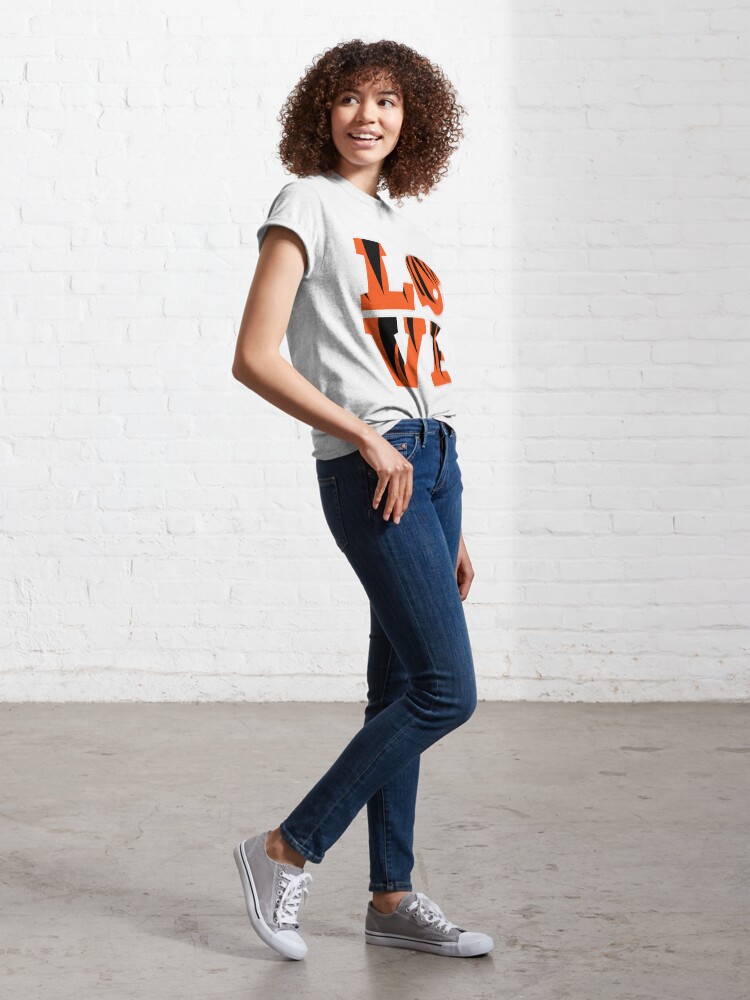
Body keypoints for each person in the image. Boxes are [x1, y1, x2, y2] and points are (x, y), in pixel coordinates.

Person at [231, 38, 492, 962]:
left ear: (412, 119)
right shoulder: (305, 203)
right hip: (371, 462)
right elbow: (254, 357)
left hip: (432, 463)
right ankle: (284, 849)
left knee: (402, 689)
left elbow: (414, 370)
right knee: (446, 692)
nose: (367, 116)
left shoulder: (399, 225)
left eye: (387, 101)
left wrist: (452, 519)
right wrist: (366, 436)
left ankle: (392, 898)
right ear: (324, 112)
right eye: (349, 99)